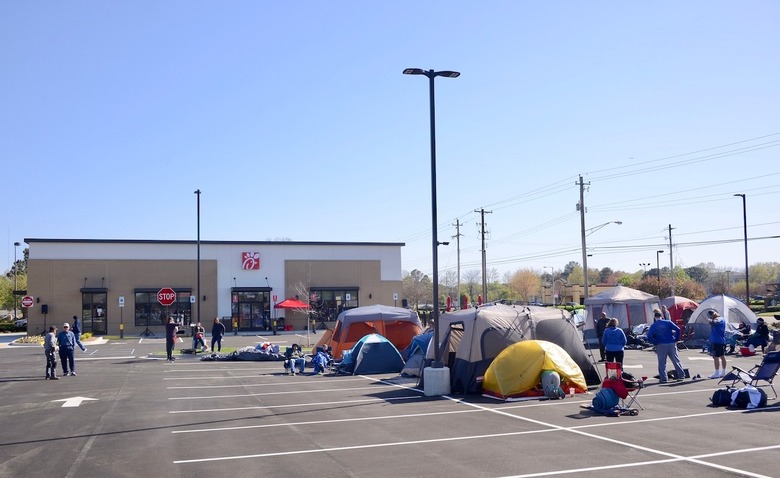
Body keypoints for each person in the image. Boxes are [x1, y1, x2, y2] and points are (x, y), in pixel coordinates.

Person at [647, 308, 685, 383]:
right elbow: (678, 329)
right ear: (661, 316)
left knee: (662, 362)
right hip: (671, 343)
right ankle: (681, 374)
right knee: (675, 360)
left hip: (661, 344)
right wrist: (676, 339)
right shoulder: (668, 322)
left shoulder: (654, 325)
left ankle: (664, 378)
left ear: (655, 317)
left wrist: (655, 342)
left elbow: (649, 336)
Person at [707, 310, 727, 378]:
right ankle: (723, 372)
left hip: (717, 341)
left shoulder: (718, 319)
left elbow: (714, 322)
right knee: (722, 356)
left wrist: (710, 320)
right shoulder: (722, 319)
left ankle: (717, 373)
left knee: (716, 357)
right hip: (720, 341)